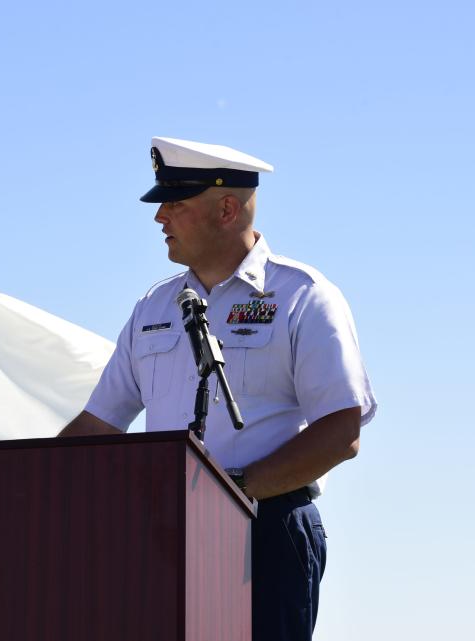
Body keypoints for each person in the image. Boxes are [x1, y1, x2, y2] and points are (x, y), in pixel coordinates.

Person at [58, 136, 377, 641]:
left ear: (227, 208)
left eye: (175, 203)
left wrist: (227, 494)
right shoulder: (153, 309)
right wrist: (15, 485)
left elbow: (341, 432)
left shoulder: (301, 296)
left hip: (264, 529)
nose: (160, 216)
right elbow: (98, 424)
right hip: (162, 536)